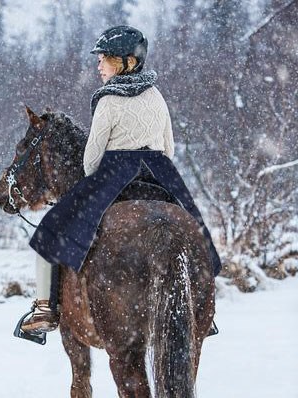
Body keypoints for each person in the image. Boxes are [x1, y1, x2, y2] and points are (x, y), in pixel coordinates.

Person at [20, 26, 222, 335]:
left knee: (50, 229)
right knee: (196, 231)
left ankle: (45, 308)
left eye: (104, 59)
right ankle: (203, 310)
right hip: (160, 172)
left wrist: (96, 182)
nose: (98, 65)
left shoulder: (109, 100)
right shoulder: (157, 97)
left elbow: (91, 159)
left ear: (125, 62)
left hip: (115, 172)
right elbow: (169, 147)